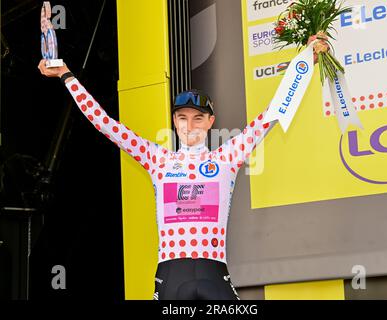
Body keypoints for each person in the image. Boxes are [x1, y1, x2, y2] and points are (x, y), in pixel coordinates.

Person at [37, 36, 325, 300]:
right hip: (171, 277)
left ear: (210, 122)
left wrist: (305, 63)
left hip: (214, 274)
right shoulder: (157, 158)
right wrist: (67, 75)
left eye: (198, 118)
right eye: (182, 118)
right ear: (174, 122)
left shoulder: (227, 156)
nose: (190, 126)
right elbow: (104, 123)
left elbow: (272, 115)